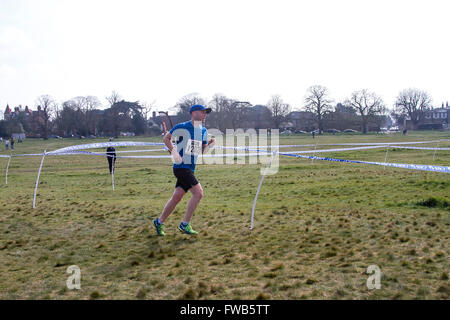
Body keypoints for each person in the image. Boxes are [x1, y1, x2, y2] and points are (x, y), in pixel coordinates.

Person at [153, 104, 215, 236]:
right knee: (198, 193)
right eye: (202, 112)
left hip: (190, 168)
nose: (204, 115)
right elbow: (166, 138)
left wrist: (210, 145)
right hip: (181, 167)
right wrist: (174, 152)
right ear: (193, 113)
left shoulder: (203, 131)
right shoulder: (182, 126)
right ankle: (185, 224)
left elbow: (202, 151)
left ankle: (159, 221)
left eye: (206, 113)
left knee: (177, 197)